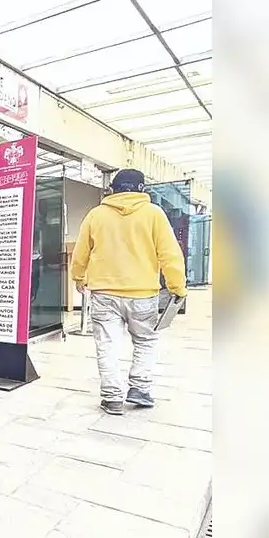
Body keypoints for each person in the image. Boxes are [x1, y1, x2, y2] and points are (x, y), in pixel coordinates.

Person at [70, 169, 187, 416]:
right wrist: (177, 287)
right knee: (145, 341)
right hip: (143, 294)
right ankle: (140, 389)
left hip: (104, 293)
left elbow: (81, 252)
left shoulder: (96, 215)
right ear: (142, 189)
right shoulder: (154, 214)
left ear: (113, 188)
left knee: (107, 344)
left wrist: (79, 277)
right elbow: (169, 254)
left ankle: (112, 398)